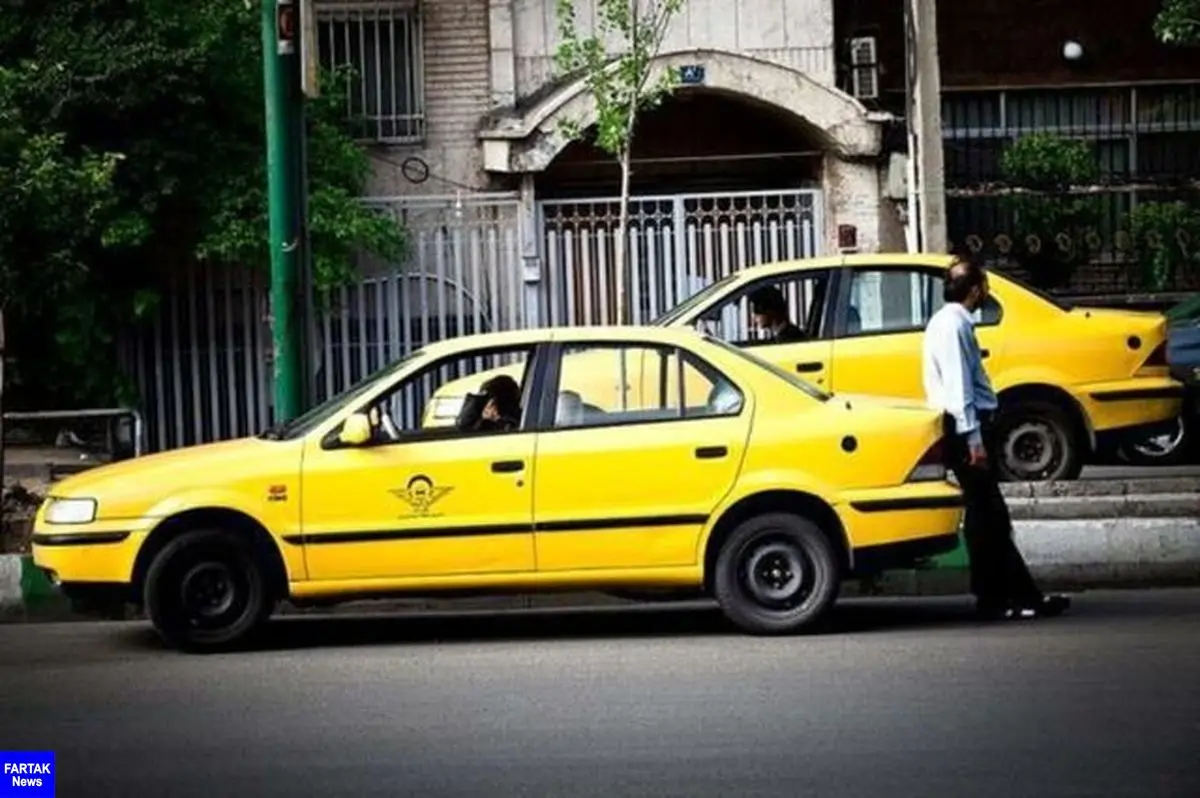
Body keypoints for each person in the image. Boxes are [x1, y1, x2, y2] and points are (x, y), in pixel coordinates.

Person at [922, 253, 1070, 621]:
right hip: (966, 429)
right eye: (985, 285)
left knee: (984, 515)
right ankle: (1017, 598)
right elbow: (959, 389)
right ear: (975, 290)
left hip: (964, 426)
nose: (987, 290)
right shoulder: (954, 327)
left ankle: (996, 595)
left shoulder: (947, 322)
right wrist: (974, 440)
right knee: (991, 515)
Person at [456, 375, 522, 432]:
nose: (488, 405)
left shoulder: (516, 425)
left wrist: (496, 420)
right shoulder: (524, 419)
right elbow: (462, 425)